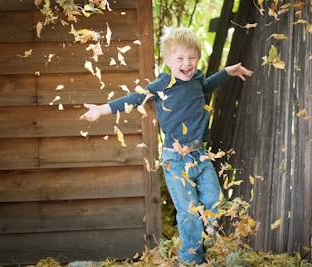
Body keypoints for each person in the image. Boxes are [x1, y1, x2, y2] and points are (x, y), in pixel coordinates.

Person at [80, 27, 253, 265]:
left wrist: (227, 72)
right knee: (189, 213)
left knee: (214, 201)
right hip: (176, 160)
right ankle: (191, 259)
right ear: (168, 61)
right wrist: (102, 109)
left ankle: (207, 242)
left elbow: (207, 86)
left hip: (200, 156)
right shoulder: (162, 85)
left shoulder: (197, 79)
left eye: (192, 58)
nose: (187, 63)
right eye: (180, 58)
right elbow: (134, 99)